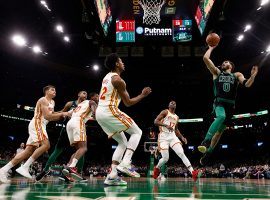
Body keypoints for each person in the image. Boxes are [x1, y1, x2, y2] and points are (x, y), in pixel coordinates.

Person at [96, 53, 152, 186]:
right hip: (109, 110)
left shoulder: (106, 77)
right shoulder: (118, 80)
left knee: (122, 142)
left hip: (100, 113)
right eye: (121, 61)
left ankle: (112, 176)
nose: (123, 63)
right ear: (116, 64)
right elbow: (128, 102)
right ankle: (126, 163)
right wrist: (142, 95)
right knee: (137, 132)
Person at [198, 45, 258, 165]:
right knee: (221, 117)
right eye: (223, 62)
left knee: (219, 132)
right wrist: (210, 48)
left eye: (226, 62)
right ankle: (205, 141)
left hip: (230, 106)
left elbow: (247, 84)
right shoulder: (217, 72)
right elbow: (205, 59)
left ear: (230, 66)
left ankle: (208, 153)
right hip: (219, 102)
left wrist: (253, 76)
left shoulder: (236, 75)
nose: (223, 63)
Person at [0, 85, 69, 183]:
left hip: (42, 125)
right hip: (37, 123)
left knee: (28, 151)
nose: (55, 91)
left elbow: (53, 116)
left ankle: (3, 170)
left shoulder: (52, 102)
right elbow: (47, 116)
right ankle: (25, 167)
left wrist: (65, 114)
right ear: (46, 91)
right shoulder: (43, 100)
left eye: (55, 90)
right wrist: (63, 114)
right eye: (52, 90)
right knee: (46, 145)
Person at [35, 91, 88, 182]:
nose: (85, 95)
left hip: (78, 129)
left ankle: (77, 173)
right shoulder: (70, 104)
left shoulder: (86, 104)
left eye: (86, 94)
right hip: (67, 129)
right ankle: (45, 170)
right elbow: (62, 112)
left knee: (81, 150)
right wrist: (50, 113)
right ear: (78, 94)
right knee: (58, 150)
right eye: (83, 93)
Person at [153, 101, 200, 181]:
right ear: (169, 105)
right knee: (165, 158)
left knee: (181, 153)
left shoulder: (176, 117)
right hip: (163, 137)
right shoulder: (165, 112)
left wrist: (182, 137)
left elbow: (176, 129)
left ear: (176, 106)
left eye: (174, 103)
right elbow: (156, 121)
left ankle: (193, 172)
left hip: (172, 137)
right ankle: (157, 168)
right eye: (171, 102)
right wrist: (166, 125)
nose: (173, 102)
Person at [62, 93, 99, 181]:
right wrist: (95, 113)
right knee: (84, 148)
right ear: (92, 97)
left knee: (78, 150)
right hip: (78, 122)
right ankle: (71, 167)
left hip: (70, 123)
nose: (98, 98)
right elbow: (93, 108)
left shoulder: (80, 105)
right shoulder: (91, 102)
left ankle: (67, 170)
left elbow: (67, 113)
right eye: (96, 96)